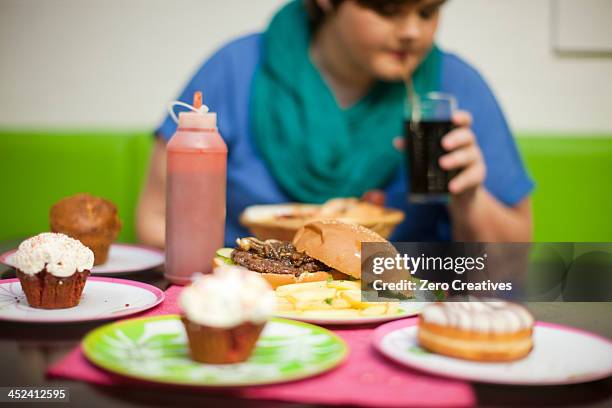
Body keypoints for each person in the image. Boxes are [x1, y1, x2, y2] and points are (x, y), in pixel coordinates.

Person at [137, 0, 534, 248]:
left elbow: (513, 259)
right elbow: (154, 221)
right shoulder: (235, 69)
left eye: (427, 12)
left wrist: (469, 198)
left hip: (402, 310)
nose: (412, 32)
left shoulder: (454, 87)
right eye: (387, 9)